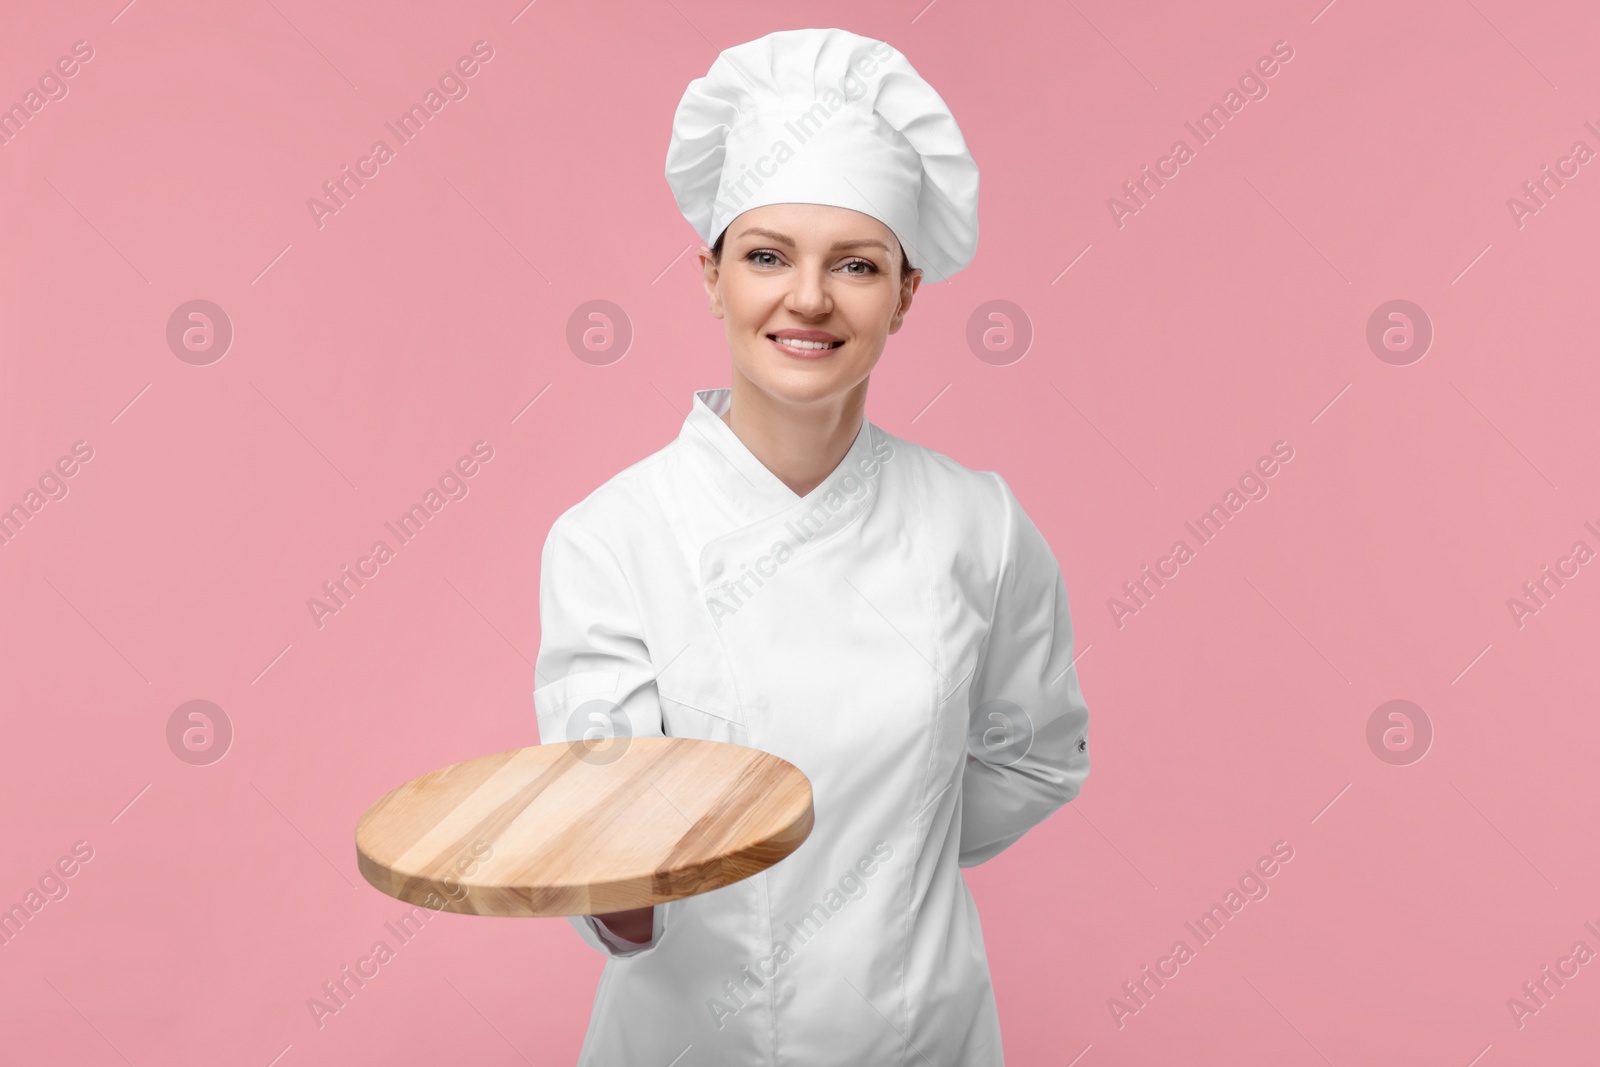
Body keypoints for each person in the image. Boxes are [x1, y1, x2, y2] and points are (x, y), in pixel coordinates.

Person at [532, 26, 1091, 1065]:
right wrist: (618, 884)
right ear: (709, 277)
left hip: (919, 1033)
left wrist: (891, 845)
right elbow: (602, 834)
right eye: (765, 256)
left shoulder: (982, 525)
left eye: (856, 265)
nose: (807, 298)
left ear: (906, 293)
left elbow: (1036, 756)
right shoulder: (612, 538)